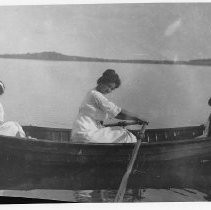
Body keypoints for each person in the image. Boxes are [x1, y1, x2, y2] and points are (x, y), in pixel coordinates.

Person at [71, 69, 148, 143]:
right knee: (125, 135)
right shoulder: (96, 95)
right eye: (108, 86)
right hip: (86, 133)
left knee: (121, 131)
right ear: (102, 82)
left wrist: (135, 119)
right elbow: (118, 111)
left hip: (79, 133)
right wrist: (139, 117)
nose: (109, 90)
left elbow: (116, 114)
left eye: (112, 89)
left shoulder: (92, 92)